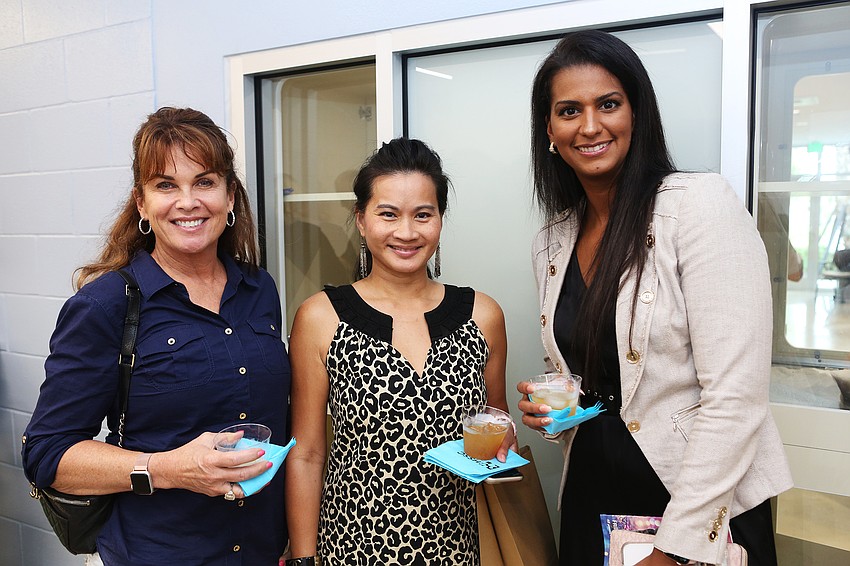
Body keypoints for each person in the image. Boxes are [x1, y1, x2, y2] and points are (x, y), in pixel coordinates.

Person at [517, 30, 793, 566]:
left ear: (637, 114)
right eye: (570, 110)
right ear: (549, 130)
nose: (590, 126)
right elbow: (610, 379)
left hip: (695, 506)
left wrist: (675, 548)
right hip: (591, 497)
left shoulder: (698, 207)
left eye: (609, 104)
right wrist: (561, 408)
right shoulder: (551, 241)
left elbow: (736, 399)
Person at [22, 107, 290, 565]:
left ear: (229, 196)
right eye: (166, 185)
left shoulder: (258, 288)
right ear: (142, 203)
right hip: (154, 553)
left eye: (204, 182)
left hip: (261, 552)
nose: (188, 201)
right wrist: (169, 469)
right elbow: (48, 454)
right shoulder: (105, 306)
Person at [284, 137, 513, 565]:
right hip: (351, 549)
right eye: (388, 214)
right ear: (362, 220)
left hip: (457, 549)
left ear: (440, 220)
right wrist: (302, 558)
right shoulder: (321, 317)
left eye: (422, 215)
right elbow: (308, 452)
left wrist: (503, 435)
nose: (406, 232)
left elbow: (495, 418)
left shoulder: (482, 315)